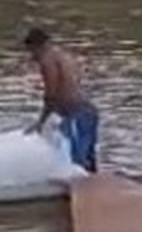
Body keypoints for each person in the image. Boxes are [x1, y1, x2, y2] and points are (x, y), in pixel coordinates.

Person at [23, 27, 100, 173]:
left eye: (31, 51)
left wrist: (41, 122)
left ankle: (83, 193)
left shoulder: (47, 61)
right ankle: (95, 191)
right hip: (87, 112)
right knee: (88, 163)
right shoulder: (64, 56)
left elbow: (51, 94)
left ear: (36, 46)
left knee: (75, 164)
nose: (32, 57)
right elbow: (70, 87)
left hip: (76, 114)